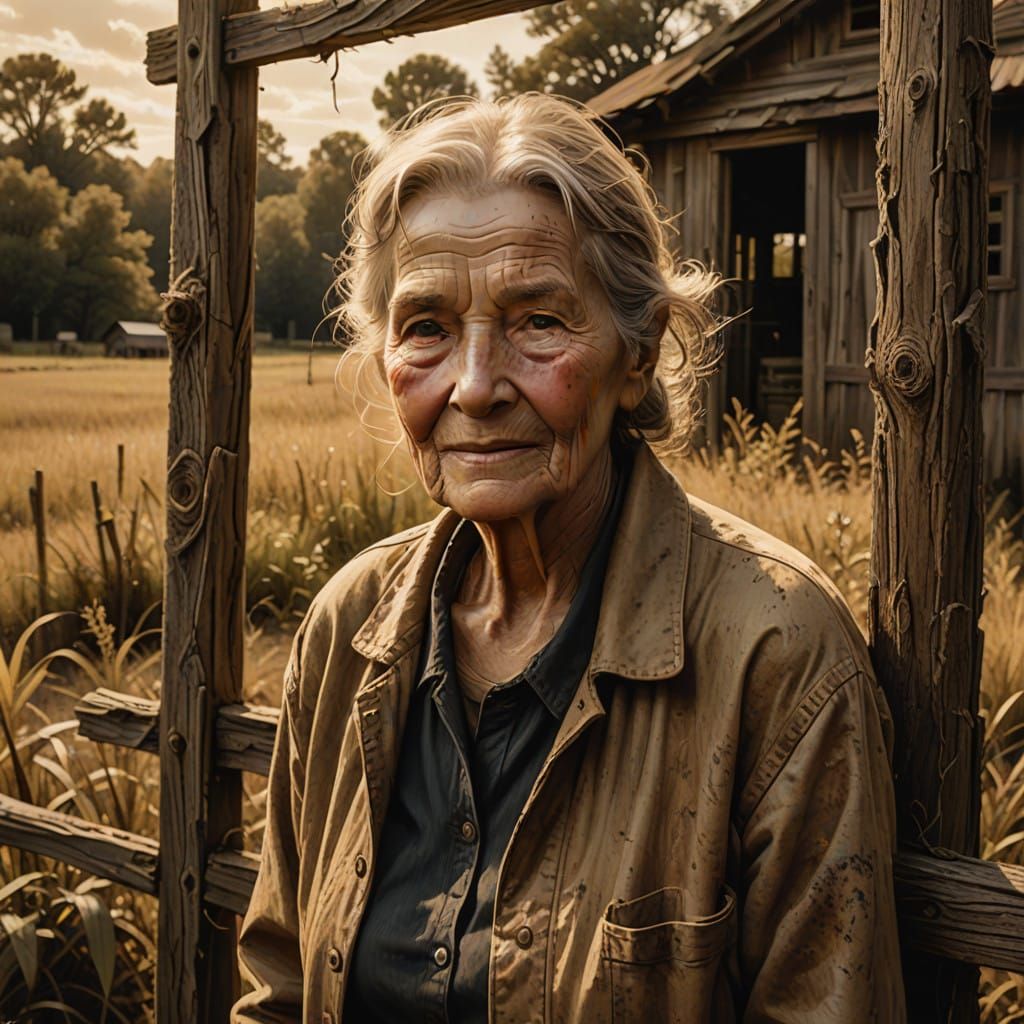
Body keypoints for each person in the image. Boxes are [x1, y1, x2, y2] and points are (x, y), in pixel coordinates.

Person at [231, 94, 905, 1023]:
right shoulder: (349, 629)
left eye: (538, 320)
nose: (473, 384)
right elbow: (277, 986)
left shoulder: (776, 654)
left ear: (638, 354)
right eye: (425, 326)